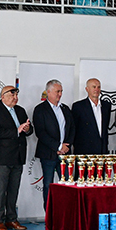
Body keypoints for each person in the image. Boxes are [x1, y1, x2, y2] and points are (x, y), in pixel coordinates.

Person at [0, 86, 33, 230]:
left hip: (18, 156)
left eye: (16, 94)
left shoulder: (20, 110)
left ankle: (11, 219)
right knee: (0, 191)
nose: (15, 97)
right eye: (12, 94)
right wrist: (17, 130)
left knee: (13, 190)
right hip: (1, 158)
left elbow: (30, 130)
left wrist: (27, 129)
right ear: (3, 96)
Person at [33, 79, 74, 209]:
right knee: (48, 185)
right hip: (48, 154)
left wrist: (67, 146)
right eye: (57, 91)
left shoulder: (65, 109)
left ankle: (67, 212)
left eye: (61, 91)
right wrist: (58, 146)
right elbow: (41, 133)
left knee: (67, 184)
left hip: (65, 155)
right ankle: (49, 214)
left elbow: (72, 128)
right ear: (48, 92)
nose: (60, 94)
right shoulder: (40, 109)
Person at [71, 77, 111, 155]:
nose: (96, 89)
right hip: (84, 150)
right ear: (87, 89)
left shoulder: (106, 105)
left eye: (98, 87)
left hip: (102, 150)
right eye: (94, 87)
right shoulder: (78, 106)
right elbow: (74, 129)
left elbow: (105, 128)